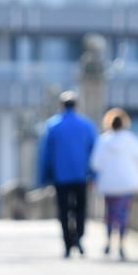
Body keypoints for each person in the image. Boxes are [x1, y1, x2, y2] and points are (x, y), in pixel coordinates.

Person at [37, 90, 97, 258]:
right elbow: (94, 152)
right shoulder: (87, 125)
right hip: (81, 175)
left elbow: (46, 154)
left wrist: (45, 178)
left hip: (60, 176)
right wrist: (94, 176)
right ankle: (78, 236)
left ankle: (67, 243)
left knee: (63, 210)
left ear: (61, 106)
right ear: (77, 105)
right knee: (81, 209)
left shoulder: (52, 126)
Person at [90, 108, 138, 261]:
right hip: (127, 184)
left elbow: (95, 163)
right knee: (123, 214)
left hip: (109, 184)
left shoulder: (103, 140)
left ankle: (109, 241)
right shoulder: (131, 140)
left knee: (110, 213)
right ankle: (121, 244)